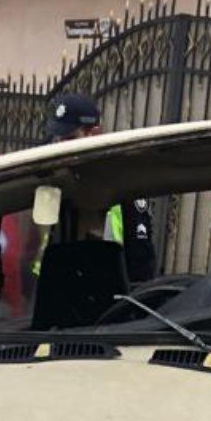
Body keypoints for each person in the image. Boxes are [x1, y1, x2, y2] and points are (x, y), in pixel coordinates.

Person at [44, 93, 158, 282]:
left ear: (94, 133)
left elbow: (140, 260)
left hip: (112, 290)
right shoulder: (54, 180)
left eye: (69, 139)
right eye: (58, 139)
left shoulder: (122, 183)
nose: (61, 147)